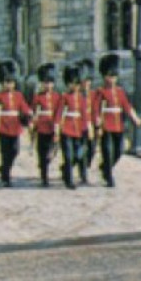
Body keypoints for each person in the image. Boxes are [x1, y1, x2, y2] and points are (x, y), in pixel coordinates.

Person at [92, 54, 141, 187]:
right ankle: (109, 176)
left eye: (114, 76)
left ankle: (105, 167)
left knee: (118, 151)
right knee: (107, 151)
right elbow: (96, 108)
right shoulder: (100, 91)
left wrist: (135, 117)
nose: (112, 79)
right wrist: (97, 122)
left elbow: (126, 106)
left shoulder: (120, 91)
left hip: (117, 125)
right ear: (104, 76)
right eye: (109, 76)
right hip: (106, 126)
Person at [0, 60, 30, 187]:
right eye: (7, 82)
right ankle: (6, 176)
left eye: (11, 82)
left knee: (15, 151)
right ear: (2, 82)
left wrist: (28, 115)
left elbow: (24, 107)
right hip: (3, 127)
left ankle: (4, 168)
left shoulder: (19, 95)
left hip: (15, 126)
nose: (9, 85)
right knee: (5, 152)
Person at [53, 61, 92, 190]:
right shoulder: (64, 97)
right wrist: (57, 130)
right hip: (66, 129)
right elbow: (59, 115)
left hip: (79, 129)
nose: (74, 86)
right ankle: (69, 181)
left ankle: (66, 170)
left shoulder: (82, 98)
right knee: (69, 155)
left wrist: (89, 128)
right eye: (72, 83)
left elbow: (85, 115)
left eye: (77, 83)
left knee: (78, 155)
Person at [28, 63, 61, 187]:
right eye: (46, 82)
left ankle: (44, 164)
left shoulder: (57, 97)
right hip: (42, 127)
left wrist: (57, 124)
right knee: (42, 151)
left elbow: (59, 111)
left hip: (53, 127)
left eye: (50, 82)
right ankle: (44, 176)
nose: (48, 85)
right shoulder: (38, 97)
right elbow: (33, 111)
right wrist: (32, 123)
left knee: (50, 152)